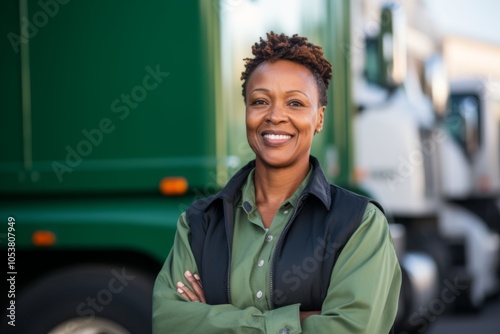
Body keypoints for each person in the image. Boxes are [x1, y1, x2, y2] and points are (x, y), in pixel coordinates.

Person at [153, 32, 401, 333]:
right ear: (246, 111)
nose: (275, 116)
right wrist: (295, 322)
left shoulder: (359, 223)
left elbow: (350, 329)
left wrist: (211, 319)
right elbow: (169, 322)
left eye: (295, 103)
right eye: (260, 101)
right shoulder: (199, 223)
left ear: (319, 118)